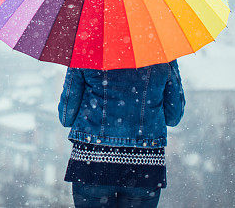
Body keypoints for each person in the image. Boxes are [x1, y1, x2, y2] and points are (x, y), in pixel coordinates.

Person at [58, 59, 185, 208]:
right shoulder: (162, 55)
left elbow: (67, 117)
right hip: (144, 165)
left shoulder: (86, 51)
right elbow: (173, 116)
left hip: (92, 162)